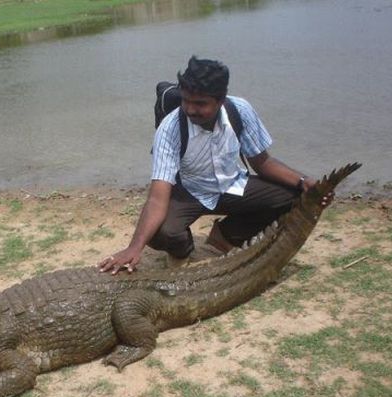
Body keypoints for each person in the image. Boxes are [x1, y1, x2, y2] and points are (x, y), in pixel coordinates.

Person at [99, 56, 332, 275]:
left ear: (221, 99)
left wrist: (304, 182)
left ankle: (227, 236)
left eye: (200, 103)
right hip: (189, 192)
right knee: (162, 232)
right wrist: (134, 248)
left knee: (295, 196)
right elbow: (157, 199)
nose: (190, 109)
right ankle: (182, 251)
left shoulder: (240, 110)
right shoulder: (170, 129)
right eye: (186, 101)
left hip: (232, 185)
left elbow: (263, 162)